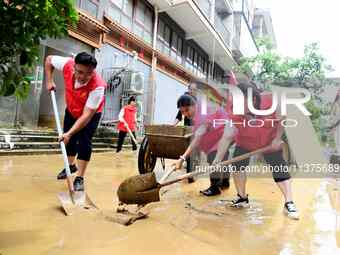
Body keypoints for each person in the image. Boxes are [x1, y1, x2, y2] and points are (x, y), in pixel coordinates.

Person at [214, 82, 299, 220]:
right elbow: (227, 136)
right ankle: (242, 198)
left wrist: (277, 139)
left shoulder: (271, 101)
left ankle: (289, 203)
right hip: (245, 141)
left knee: (279, 169)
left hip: (268, 141)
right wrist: (218, 159)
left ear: (253, 99)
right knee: (237, 166)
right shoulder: (233, 110)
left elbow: (282, 118)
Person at [45, 52, 107, 191]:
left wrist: (70, 133)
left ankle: (80, 178)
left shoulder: (98, 86)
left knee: (84, 142)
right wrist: (49, 80)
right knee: (69, 140)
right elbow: (49, 60)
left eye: (88, 73)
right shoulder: (67, 64)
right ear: (74, 66)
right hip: (72, 108)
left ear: (93, 71)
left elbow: (86, 116)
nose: (83, 77)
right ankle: (71, 166)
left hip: (90, 114)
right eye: (80, 72)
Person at [173, 94, 231, 194]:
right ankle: (225, 183)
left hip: (226, 130)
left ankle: (215, 188)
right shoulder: (200, 110)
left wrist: (182, 158)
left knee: (213, 155)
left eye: (187, 110)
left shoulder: (203, 114)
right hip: (221, 129)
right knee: (223, 156)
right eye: (183, 112)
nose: (186, 114)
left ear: (194, 105)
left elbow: (197, 139)